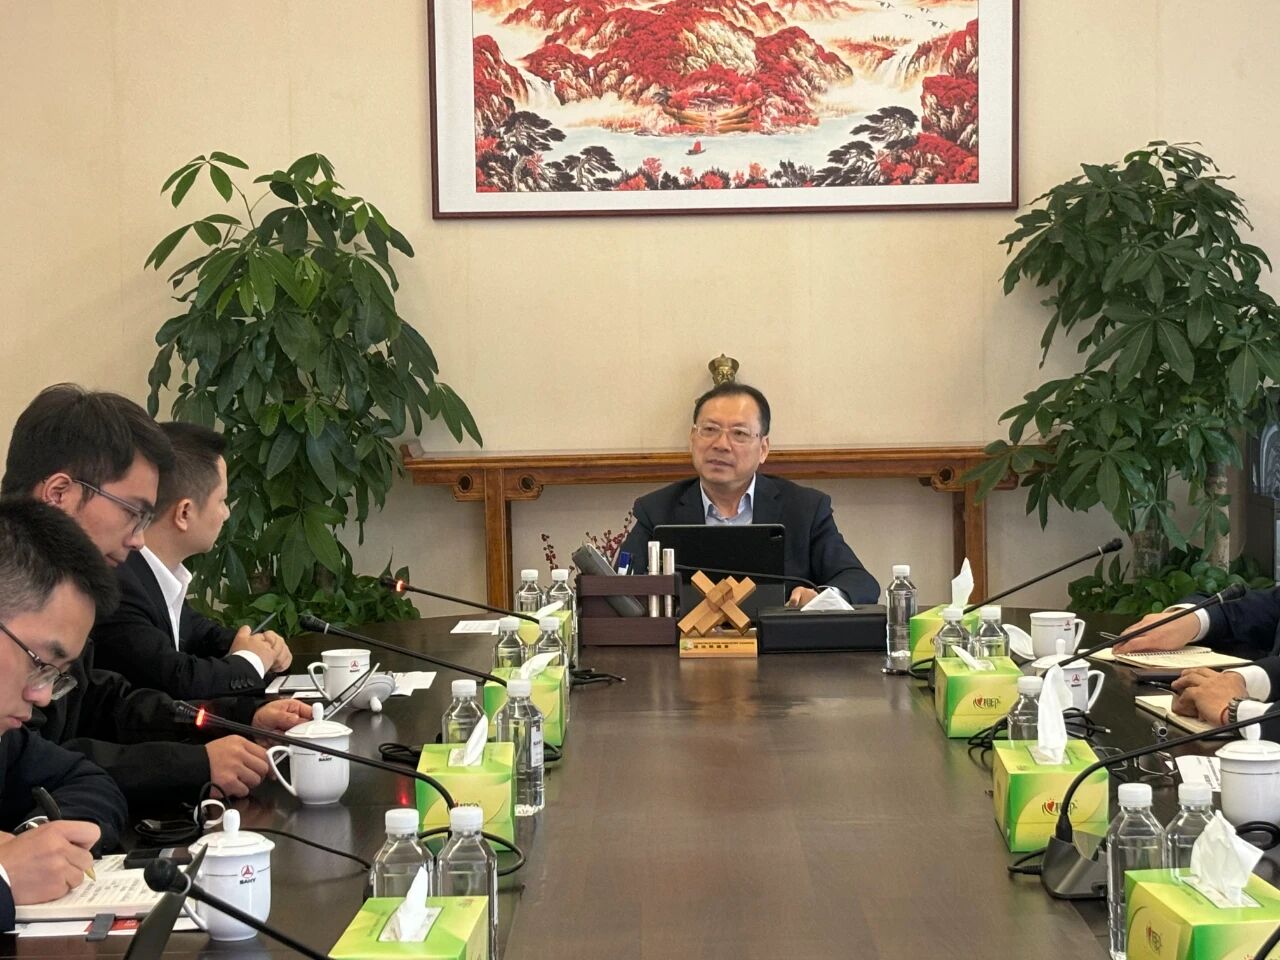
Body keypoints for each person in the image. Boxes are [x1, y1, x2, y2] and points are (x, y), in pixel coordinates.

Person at [1, 384, 308, 807]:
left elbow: (105, 703)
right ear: (59, 494)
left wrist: (238, 717)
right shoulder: (23, 595)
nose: (139, 539)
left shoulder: (75, 594)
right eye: (133, 512)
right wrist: (193, 764)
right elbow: (35, 766)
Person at [618, 382, 879, 605]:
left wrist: (820, 598)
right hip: (685, 645)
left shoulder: (804, 509)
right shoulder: (657, 510)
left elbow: (859, 582)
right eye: (709, 430)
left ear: (763, 449)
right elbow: (620, 588)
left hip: (777, 647)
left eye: (739, 434)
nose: (721, 444)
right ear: (692, 438)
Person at [92, 421, 291, 699]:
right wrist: (251, 661)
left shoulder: (152, 573)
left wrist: (256, 644)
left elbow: (199, 633)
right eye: (222, 500)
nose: (226, 514)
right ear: (184, 513)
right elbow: (176, 681)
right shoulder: (119, 585)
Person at [0, 499, 129, 928]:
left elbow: (90, 782)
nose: (41, 696)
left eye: (56, 675)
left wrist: (38, 840)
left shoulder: (6, 739)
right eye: (39, 662)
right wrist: (5, 876)